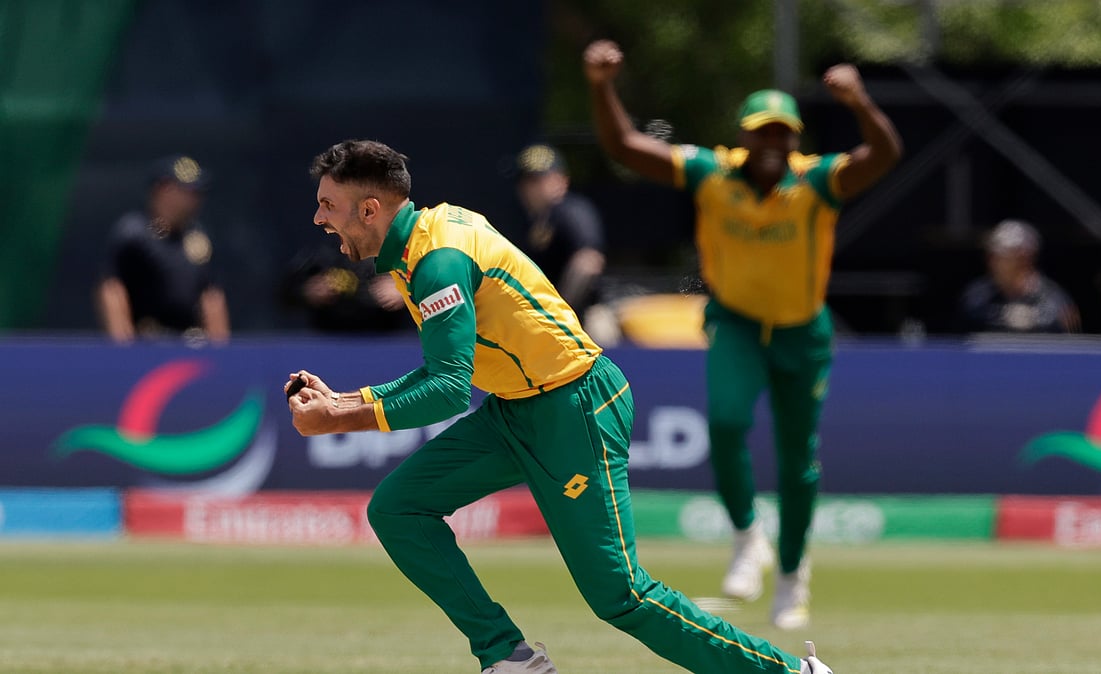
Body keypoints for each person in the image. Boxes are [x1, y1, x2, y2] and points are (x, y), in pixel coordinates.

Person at [286, 139, 833, 674]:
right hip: (519, 409)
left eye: (328, 205)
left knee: (622, 596)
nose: (318, 218)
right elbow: (445, 371)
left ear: (371, 209)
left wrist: (342, 417)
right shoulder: (423, 239)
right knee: (397, 507)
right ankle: (507, 656)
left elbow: (450, 388)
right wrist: (345, 399)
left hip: (575, 407)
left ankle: (790, 672)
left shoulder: (437, 260)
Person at [584, 39, 903, 629]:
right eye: (763, 132)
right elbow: (624, 147)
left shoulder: (816, 182)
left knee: (796, 461)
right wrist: (602, 85)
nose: (773, 143)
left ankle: (791, 578)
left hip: (802, 334)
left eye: (784, 133)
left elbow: (884, 154)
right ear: (746, 135)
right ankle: (745, 538)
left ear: (796, 139)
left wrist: (860, 102)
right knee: (727, 423)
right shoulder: (712, 173)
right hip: (735, 322)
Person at [96, 155, 230, 344]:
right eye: (187, 191)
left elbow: (211, 296)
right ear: (163, 189)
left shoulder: (198, 238)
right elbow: (112, 289)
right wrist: (122, 346)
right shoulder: (134, 232)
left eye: (197, 192)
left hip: (192, 344)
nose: (194, 199)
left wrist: (220, 349)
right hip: (146, 343)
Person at [513, 143, 607, 316]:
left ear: (562, 180)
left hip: (585, 319)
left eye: (540, 179)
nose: (532, 188)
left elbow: (588, 262)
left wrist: (560, 314)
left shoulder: (572, 210)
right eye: (527, 180)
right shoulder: (533, 221)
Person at [958, 219, 1080, 334]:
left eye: (1003, 255)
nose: (993, 261)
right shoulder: (978, 295)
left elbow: (1064, 329)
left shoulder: (1052, 296)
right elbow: (966, 327)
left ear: (1026, 258)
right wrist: (1004, 316)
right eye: (991, 254)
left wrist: (1031, 319)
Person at [281, 243, 410, 334]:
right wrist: (306, 292)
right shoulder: (320, 254)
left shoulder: (397, 253)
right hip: (326, 341)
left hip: (388, 341)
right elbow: (283, 296)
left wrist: (404, 291)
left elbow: (427, 289)